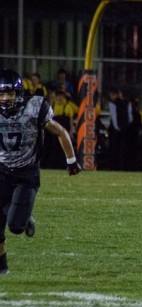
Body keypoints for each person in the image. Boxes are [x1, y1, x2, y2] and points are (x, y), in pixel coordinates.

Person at [0, 69, 81, 275]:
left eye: (10, 93)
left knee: (16, 226)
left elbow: (60, 131)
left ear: (19, 94)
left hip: (26, 173)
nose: (6, 98)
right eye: (2, 94)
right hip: (1, 170)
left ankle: (25, 218)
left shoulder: (33, 107)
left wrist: (71, 161)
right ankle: (2, 269)